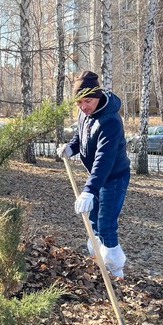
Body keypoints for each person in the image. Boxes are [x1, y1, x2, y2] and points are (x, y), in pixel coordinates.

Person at [57, 71, 131, 278]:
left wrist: (89, 190)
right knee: (93, 221)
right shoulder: (85, 113)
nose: (83, 107)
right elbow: (81, 135)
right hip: (98, 177)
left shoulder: (110, 121)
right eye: (79, 102)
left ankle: (115, 270)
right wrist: (71, 148)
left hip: (114, 177)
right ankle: (99, 259)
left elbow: (104, 158)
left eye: (87, 101)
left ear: (97, 96)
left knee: (106, 224)